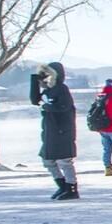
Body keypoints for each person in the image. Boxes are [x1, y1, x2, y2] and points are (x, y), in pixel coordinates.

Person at [29, 61, 79, 200]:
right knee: (48, 160)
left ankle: (71, 187)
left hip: (62, 130)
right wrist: (35, 79)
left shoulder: (62, 89)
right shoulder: (48, 90)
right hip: (49, 131)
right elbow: (34, 100)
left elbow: (63, 106)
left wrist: (46, 107)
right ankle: (62, 186)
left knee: (64, 160)